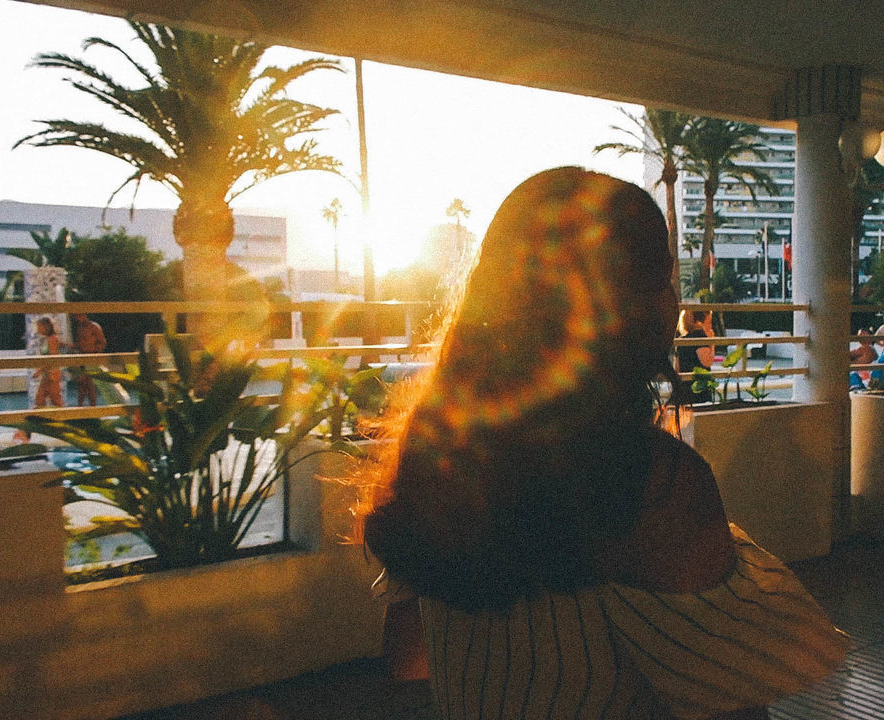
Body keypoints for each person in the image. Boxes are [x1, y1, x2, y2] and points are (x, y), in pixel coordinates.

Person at [363, 168, 847, 720]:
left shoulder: (440, 456)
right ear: (628, 307)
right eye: (661, 278)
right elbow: (738, 695)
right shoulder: (657, 484)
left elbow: (407, 658)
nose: (673, 301)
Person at [676, 308, 715, 402]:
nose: (710, 326)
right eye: (708, 322)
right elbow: (707, 362)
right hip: (699, 389)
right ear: (699, 322)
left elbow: (677, 367)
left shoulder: (681, 340)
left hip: (685, 388)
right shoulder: (700, 337)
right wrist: (712, 343)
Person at [71, 313, 107, 406]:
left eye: (78, 316)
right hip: (82, 357)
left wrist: (95, 355)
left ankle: (92, 406)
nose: (77, 319)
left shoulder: (94, 326)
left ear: (83, 315)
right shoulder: (79, 328)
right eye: (76, 317)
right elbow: (79, 343)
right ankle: (80, 407)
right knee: (82, 384)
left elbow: (102, 342)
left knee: (89, 384)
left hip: (91, 357)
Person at [32, 317, 64, 408]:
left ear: (46, 327)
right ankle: (41, 418)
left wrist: (39, 370)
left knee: (56, 400)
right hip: (47, 374)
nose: (37, 329)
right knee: (40, 399)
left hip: (52, 374)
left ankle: (63, 417)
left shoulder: (52, 339)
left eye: (39, 326)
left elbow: (52, 358)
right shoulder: (47, 339)